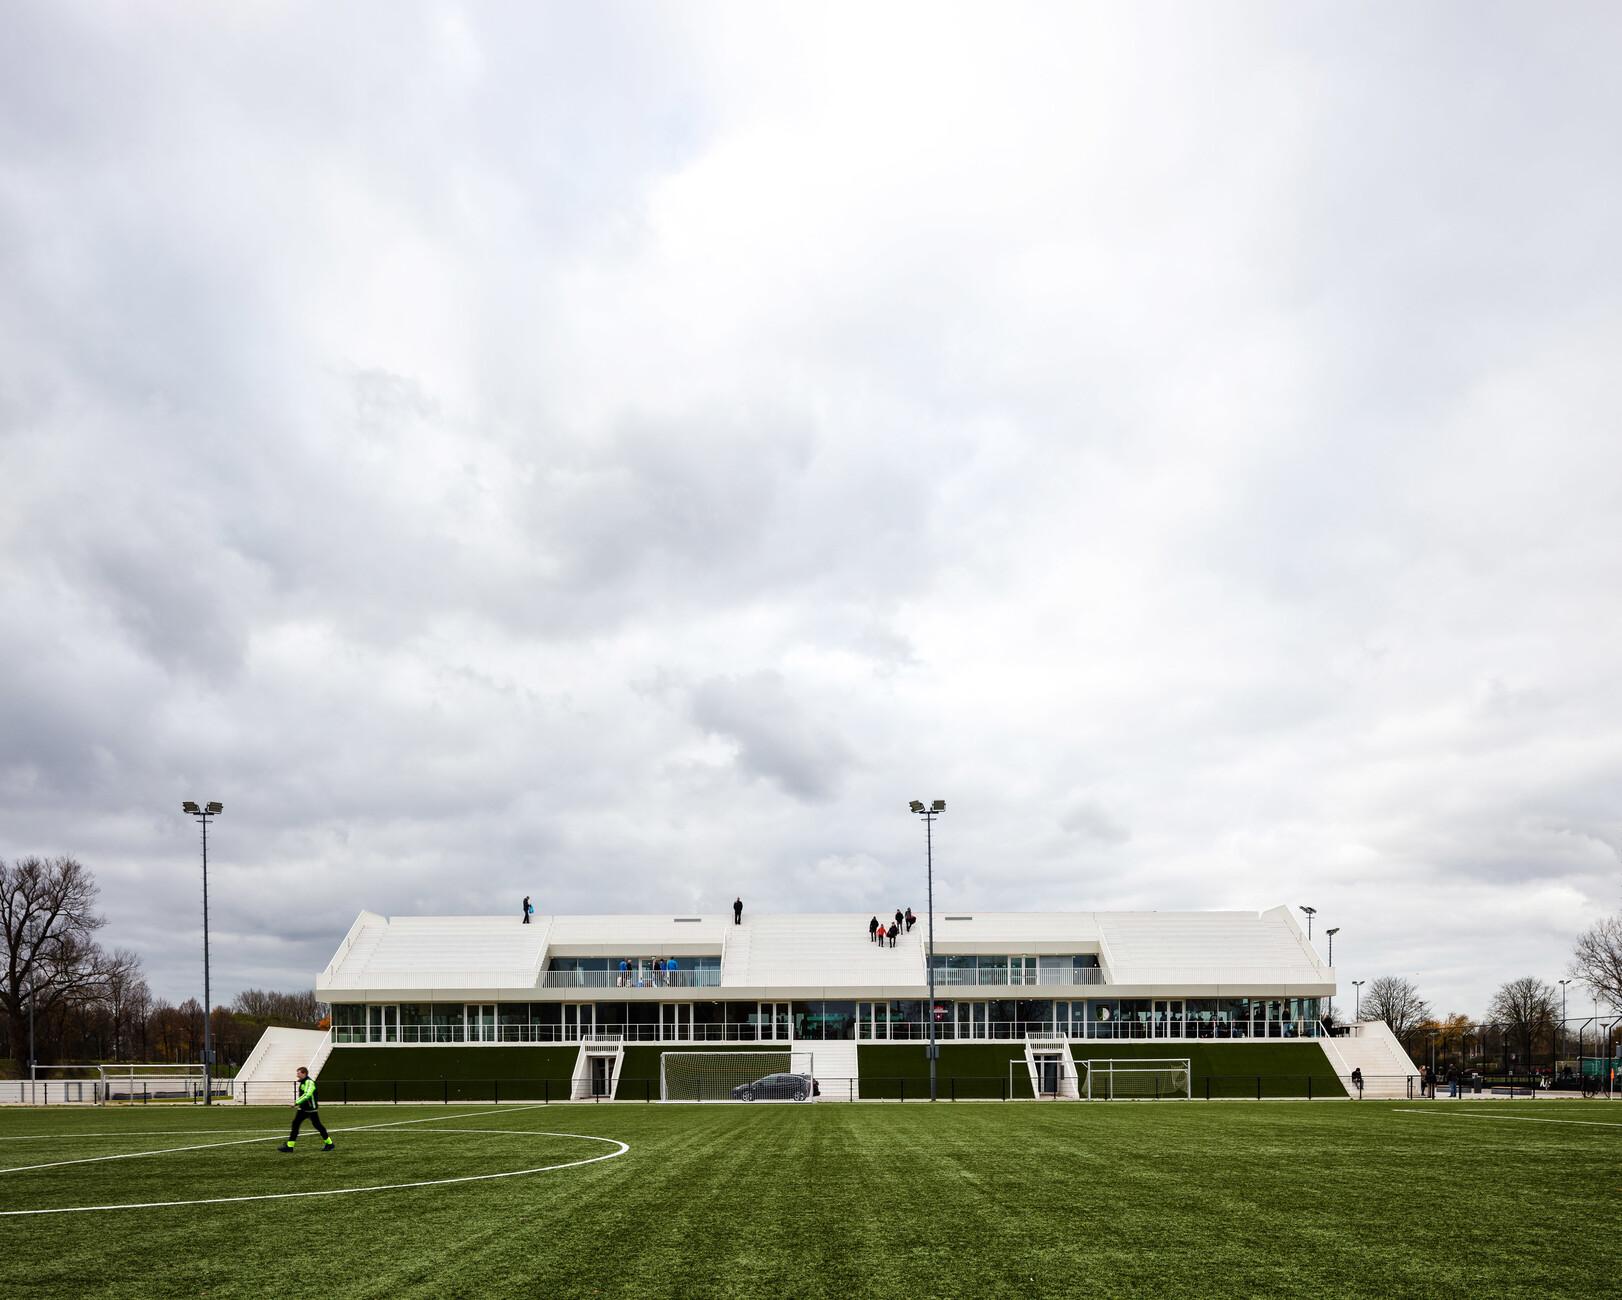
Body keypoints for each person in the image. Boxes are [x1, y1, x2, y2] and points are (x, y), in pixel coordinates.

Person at [278, 1066, 332, 1153]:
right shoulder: (303, 1082)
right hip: (303, 1109)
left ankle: (329, 1143)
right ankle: (289, 1147)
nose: (297, 1075)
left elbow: (307, 1095)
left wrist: (296, 1102)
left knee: (318, 1126)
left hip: (310, 1109)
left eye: (299, 1073)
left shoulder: (309, 1082)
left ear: (304, 1073)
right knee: (295, 1124)